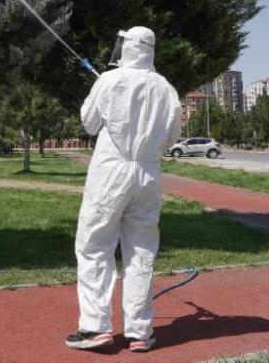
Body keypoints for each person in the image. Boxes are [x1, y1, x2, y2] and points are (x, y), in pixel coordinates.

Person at [66, 27, 182, 354]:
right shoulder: (166, 88)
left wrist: (103, 89)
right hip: (148, 173)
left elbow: (89, 123)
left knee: (94, 246)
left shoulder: (108, 80)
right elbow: (170, 138)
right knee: (141, 251)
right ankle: (140, 332)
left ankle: (95, 327)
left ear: (127, 47)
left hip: (110, 171)